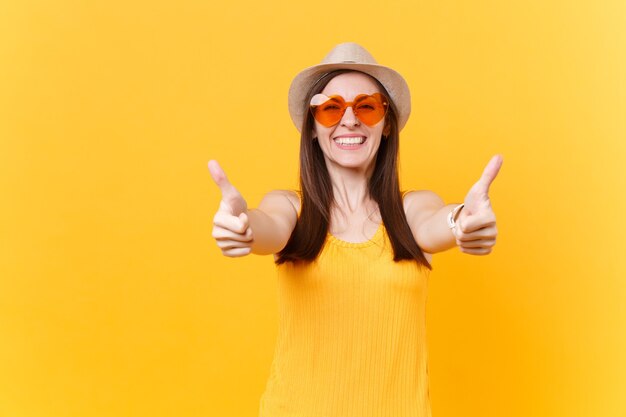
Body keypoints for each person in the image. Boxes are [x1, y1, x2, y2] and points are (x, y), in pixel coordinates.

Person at [208, 43, 502, 417]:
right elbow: (268, 226)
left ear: (387, 122)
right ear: (312, 127)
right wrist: (243, 227)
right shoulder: (292, 209)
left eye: (367, 106)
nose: (350, 120)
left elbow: (437, 223)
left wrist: (463, 221)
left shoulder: (410, 211)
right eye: (331, 108)